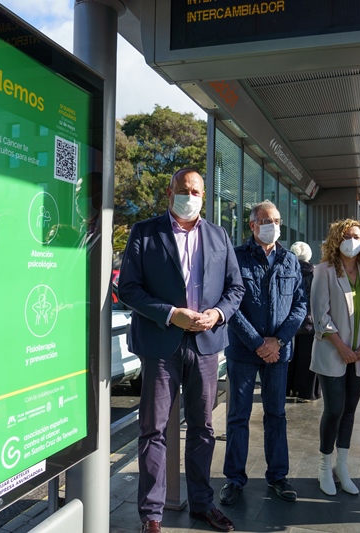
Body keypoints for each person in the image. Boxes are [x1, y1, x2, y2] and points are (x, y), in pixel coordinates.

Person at [118, 168, 244, 533]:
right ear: (169, 192)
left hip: (205, 346)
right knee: (153, 429)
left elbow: (236, 289)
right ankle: (152, 515)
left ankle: (202, 504)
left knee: (203, 428)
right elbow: (128, 288)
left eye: (195, 191)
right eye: (183, 189)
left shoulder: (219, 236)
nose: (189, 196)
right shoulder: (145, 232)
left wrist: (217, 313)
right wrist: (172, 314)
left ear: (204, 197)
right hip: (161, 345)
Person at [220, 200, 307, 506]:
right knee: (238, 416)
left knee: (276, 415)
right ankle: (234, 478)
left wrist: (278, 341)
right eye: (266, 220)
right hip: (244, 351)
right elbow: (229, 303)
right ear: (253, 225)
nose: (273, 226)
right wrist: (258, 342)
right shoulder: (237, 257)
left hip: (278, 353)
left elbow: (300, 305)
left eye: (277, 221)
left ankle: (278, 476)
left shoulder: (289, 260)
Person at [310, 219, 360, 496]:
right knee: (334, 410)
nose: (351, 240)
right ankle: (324, 465)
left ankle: (342, 466)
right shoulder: (324, 271)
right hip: (333, 353)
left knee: (350, 411)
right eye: (345, 236)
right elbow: (320, 315)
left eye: (356, 236)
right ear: (335, 240)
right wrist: (341, 346)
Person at [286, 241, 321, 402]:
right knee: (308, 358)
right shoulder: (316, 273)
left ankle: (288, 389)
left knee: (289, 359)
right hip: (310, 322)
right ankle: (307, 392)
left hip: (289, 323)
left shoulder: (288, 271)